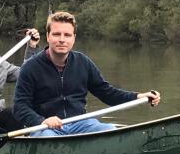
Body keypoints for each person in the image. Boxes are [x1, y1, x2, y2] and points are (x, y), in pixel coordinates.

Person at [13, 10, 160, 137]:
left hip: (80, 124)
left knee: (110, 130)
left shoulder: (83, 62)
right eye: (57, 34)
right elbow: (20, 106)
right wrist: (41, 121)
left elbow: (107, 92)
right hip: (46, 128)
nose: (62, 40)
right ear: (48, 36)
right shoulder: (30, 67)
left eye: (67, 35)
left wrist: (138, 96)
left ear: (74, 38)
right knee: (48, 137)